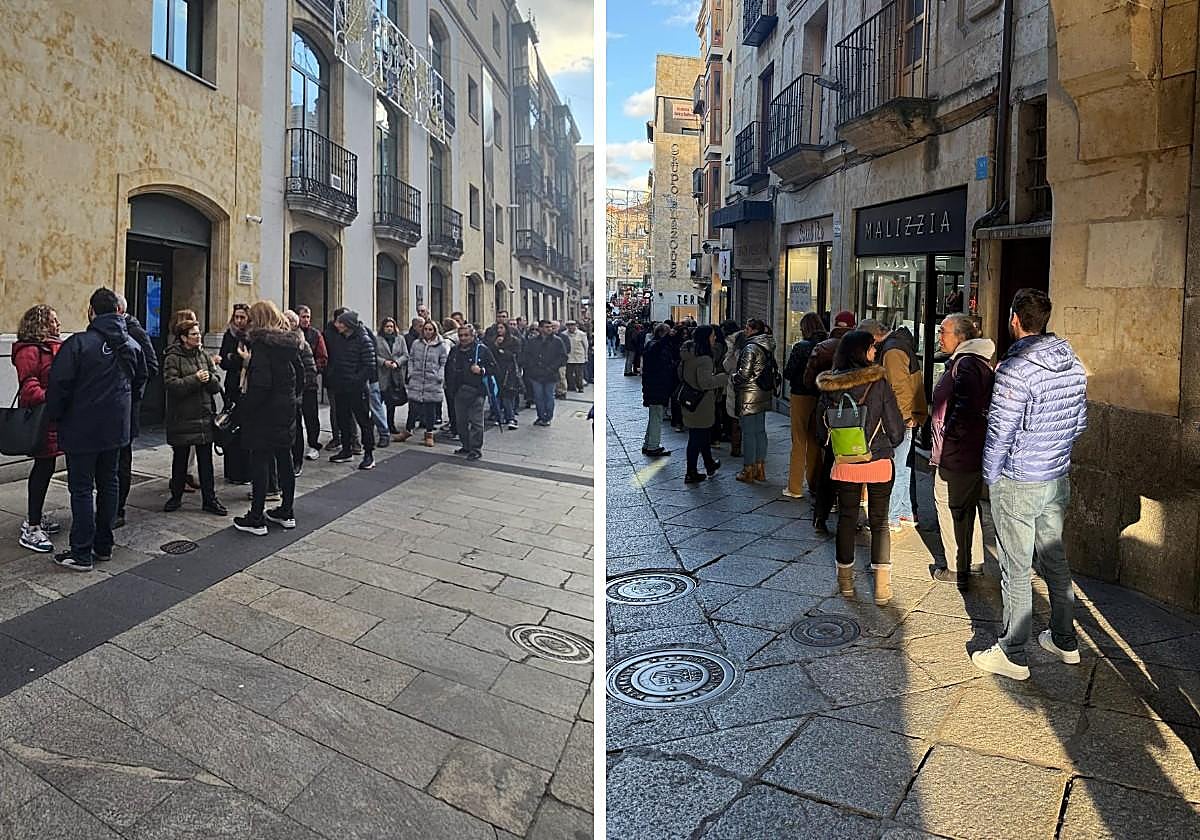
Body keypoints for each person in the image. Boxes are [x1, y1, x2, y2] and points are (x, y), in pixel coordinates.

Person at [972, 289, 1087, 682]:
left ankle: (1013, 651)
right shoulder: (1072, 363)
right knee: (1055, 559)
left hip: (1019, 478)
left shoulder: (1014, 369)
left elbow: (1000, 432)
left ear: (1015, 319)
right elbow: (1080, 423)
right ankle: (1065, 640)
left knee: (1015, 568)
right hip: (1056, 475)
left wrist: (990, 477)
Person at [46, 288, 147, 570]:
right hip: (115, 429)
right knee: (109, 483)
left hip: (82, 428)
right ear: (117, 311)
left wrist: (57, 417)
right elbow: (142, 378)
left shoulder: (78, 344)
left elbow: (59, 386)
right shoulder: (131, 344)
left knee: (81, 489)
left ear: (91, 311)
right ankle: (103, 545)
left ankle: (81, 552)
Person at [816, 330, 906, 605]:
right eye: (871, 348)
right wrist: (888, 441)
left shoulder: (830, 385)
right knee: (879, 523)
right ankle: (882, 588)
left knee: (846, 518)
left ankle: (845, 583)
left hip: (845, 463)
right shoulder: (878, 382)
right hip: (877, 461)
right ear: (861, 351)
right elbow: (896, 430)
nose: (875, 352)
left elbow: (820, 432)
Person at [930, 314, 996, 590]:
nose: (939, 337)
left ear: (960, 336)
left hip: (957, 453)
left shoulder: (966, 364)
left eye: (943, 331)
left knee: (948, 506)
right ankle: (974, 561)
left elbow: (965, 409)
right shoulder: (972, 363)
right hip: (966, 451)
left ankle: (957, 566)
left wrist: (950, 443)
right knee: (966, 507)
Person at [233, 301, 303, 535]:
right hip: (286, 410)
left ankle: (256, 518)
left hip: (264, 413)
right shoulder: (289, 345)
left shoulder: (262, 346)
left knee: (260, 461)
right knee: (285, 459)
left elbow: (261, 385)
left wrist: (245, 406)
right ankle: (286, 511)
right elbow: (300, 376)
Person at [859, 318, 929, 530]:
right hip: (907, 417)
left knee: (895, 469)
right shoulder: (898, 345)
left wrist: (899, 421)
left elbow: (899, 389)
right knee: (903, 467)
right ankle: (905, 512)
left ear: (874, 336)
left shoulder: (891, 351)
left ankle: (890, 517)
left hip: (901, 419)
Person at [161, 318, 226, 515]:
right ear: (183, 338)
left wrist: (209, 379)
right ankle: (176, 496)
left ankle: (210, 499)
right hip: (182, 417)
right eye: (194, 334)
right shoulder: (173, 358)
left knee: (206, 462)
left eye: (198, 333)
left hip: (203, 416)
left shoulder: (204, 355)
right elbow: (171, 385)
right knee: (180, 460)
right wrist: (195, 379)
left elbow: (216, 385)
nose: (198, 337)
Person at [12, 305, 64, 553]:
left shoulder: (50, 346)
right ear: (40, 323)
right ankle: (31, 526)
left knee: (47, 467)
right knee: (43, 468)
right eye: (53, 320)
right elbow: (29, 387)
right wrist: (53, 396)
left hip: (52, 417)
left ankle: (36, 515)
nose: (58, 324)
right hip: (41, 418)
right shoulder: (29, 350)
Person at [805, 310, 856, 531]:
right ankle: (847, 516)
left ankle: (820, 515)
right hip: (852, 421)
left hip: (828, 415)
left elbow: (808, 380)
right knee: (851, 472)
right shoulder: (858, 351)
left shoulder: (823, 347)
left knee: (828, 467)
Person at [783, 313, 829, 500]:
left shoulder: (801, 347)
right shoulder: (827, 346)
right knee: (814, 441)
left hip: (800, 395)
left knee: (799, 439)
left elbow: (789, 372)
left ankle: (795, 486)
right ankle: (815, 484)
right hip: (819, 397)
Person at [326, 310, 377, 470]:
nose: (337, 325)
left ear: (348, 325)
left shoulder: (363, 339)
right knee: (343, 419)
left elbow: (369, 365)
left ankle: (369, 454)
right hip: (341, 386)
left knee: (364, 421)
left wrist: (356, 381)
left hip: (357, 388)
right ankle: (346, 450)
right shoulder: (340, 338)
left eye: (340, 322)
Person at [679, 325, 727, 484]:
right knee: (696, 438)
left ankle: (709, 464)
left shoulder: (688, 354)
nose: (714, 338)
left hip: (690, 401)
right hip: (701, 404)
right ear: (706, 338)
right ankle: (691, 472)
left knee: (702, 435)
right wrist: (722, 377)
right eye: (712, 336)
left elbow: (680, 373)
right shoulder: (705, 359)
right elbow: (706, 383)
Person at [731, 318, 776, 483]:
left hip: (749, 395)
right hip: (763, 393)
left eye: (746, 327)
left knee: (749, 432)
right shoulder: (768, 345)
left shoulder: (750, 347)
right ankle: (760, 468)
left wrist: (733, 377)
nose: (745, 330)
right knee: (760, 431)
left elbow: (744, 374)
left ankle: (748, 469)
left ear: (751, 330)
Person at [445, 324, 497, 461]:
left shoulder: (482, 350)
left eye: (466, 335)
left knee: (476, 422)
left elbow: (494, 368)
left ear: (473, 336)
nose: (463, 338)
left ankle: (475, 449)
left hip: (476, 391)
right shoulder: (455, 351)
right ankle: (466, 445)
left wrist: (481, 370)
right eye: (461, 335)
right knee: (460, 422)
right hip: (458, 391)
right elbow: (448, 368)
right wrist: (449, 386)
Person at [218, 303, 252, 484]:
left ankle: (245, 471)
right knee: (230, 427)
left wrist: (235, 358)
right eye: (236, 317)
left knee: (244, 430)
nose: (238, 321)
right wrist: (235, 358)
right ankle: (232, 471)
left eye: (242, 317)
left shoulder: (251, 337)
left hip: (246, 387)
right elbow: (224, 361)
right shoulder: (228, 335)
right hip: (232, 386)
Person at [283, 310, 318, 476]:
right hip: (286, 393)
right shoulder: (281, 341)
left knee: (297, 428)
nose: (288, 323)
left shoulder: (302, 343)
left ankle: (297, 461)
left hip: (297, 393)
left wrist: (300, 392)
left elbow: (309, 369)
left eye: (290, 321)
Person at [407, 320, 449, 445]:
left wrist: (440, 376)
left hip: (432, 380)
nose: (428, 332)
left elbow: (443, 362)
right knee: (413, 406)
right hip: (417, 378)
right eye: (426, 329)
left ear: (435, 331)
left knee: (430, 407)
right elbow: (411, 358)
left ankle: (429, 433)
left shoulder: (441, 345)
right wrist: (411, 372)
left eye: (431, 329)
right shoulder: (416, 343)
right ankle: (408, 429)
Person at [522, 320, 569, 427]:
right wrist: (531, 368)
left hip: (550, 374)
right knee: (538, 396)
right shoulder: (532, 341)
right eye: (547, 327)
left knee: (549, 396)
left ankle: (547, 417)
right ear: (540, 328)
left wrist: (552, 367)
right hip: (536, 374)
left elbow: (563, 357)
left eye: (551, 327)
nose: (549, 329)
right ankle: (541, 416)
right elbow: (526, 355)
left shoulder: (557, 341)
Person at [296, 305, 328, 458]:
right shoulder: (291, 334)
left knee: (311, 415)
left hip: (309, 383)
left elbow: (322, 357)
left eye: (308, 317)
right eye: (303, 316)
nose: (306, 320)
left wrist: (313, 370)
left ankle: (313, 444)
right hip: (294, 384)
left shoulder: (315, 334)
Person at [640, 324, 674, 457]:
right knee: (656, 416)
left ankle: (649, 443)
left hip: (654, 386)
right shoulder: (655, 346)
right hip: (656, 387)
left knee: (654, 416)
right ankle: (653, 446)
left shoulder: (651, 345)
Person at [375, 318, 409, 440]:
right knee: (377, 402)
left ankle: (390, 424)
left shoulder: (400, 339)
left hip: (395, 375)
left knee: (391, 403)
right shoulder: (377, 339)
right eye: (387, 326)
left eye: (391, 326)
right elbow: (374, 355)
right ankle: (377, 424)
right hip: (382, 374)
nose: (389, 329)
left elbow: (405, 355)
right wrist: (384, 362)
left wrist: (397, 363)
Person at [485, 321, 521, 429]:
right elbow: (489, 354)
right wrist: (496, 346)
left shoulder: (514, 341)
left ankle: (510, 418)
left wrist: (503, 351)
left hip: (509, 372)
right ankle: (498, 417)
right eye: (498, 328)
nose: (499, 330)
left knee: (507, 396)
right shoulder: (492, 341)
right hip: (496, 371)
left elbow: (516, 355)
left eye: (501, 328)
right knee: (497, 395)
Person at [564, 320, 588, 392]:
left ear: (575, 326)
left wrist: (586, 356)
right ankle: (571, 387)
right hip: (568, 357)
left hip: (579, 357)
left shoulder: (581, 334)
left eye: (572, 325)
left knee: (579, 374)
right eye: (569, 325)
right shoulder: (564, 334)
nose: (571, 327)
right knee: (569, 374)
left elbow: (585, 346)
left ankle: (580, 387)